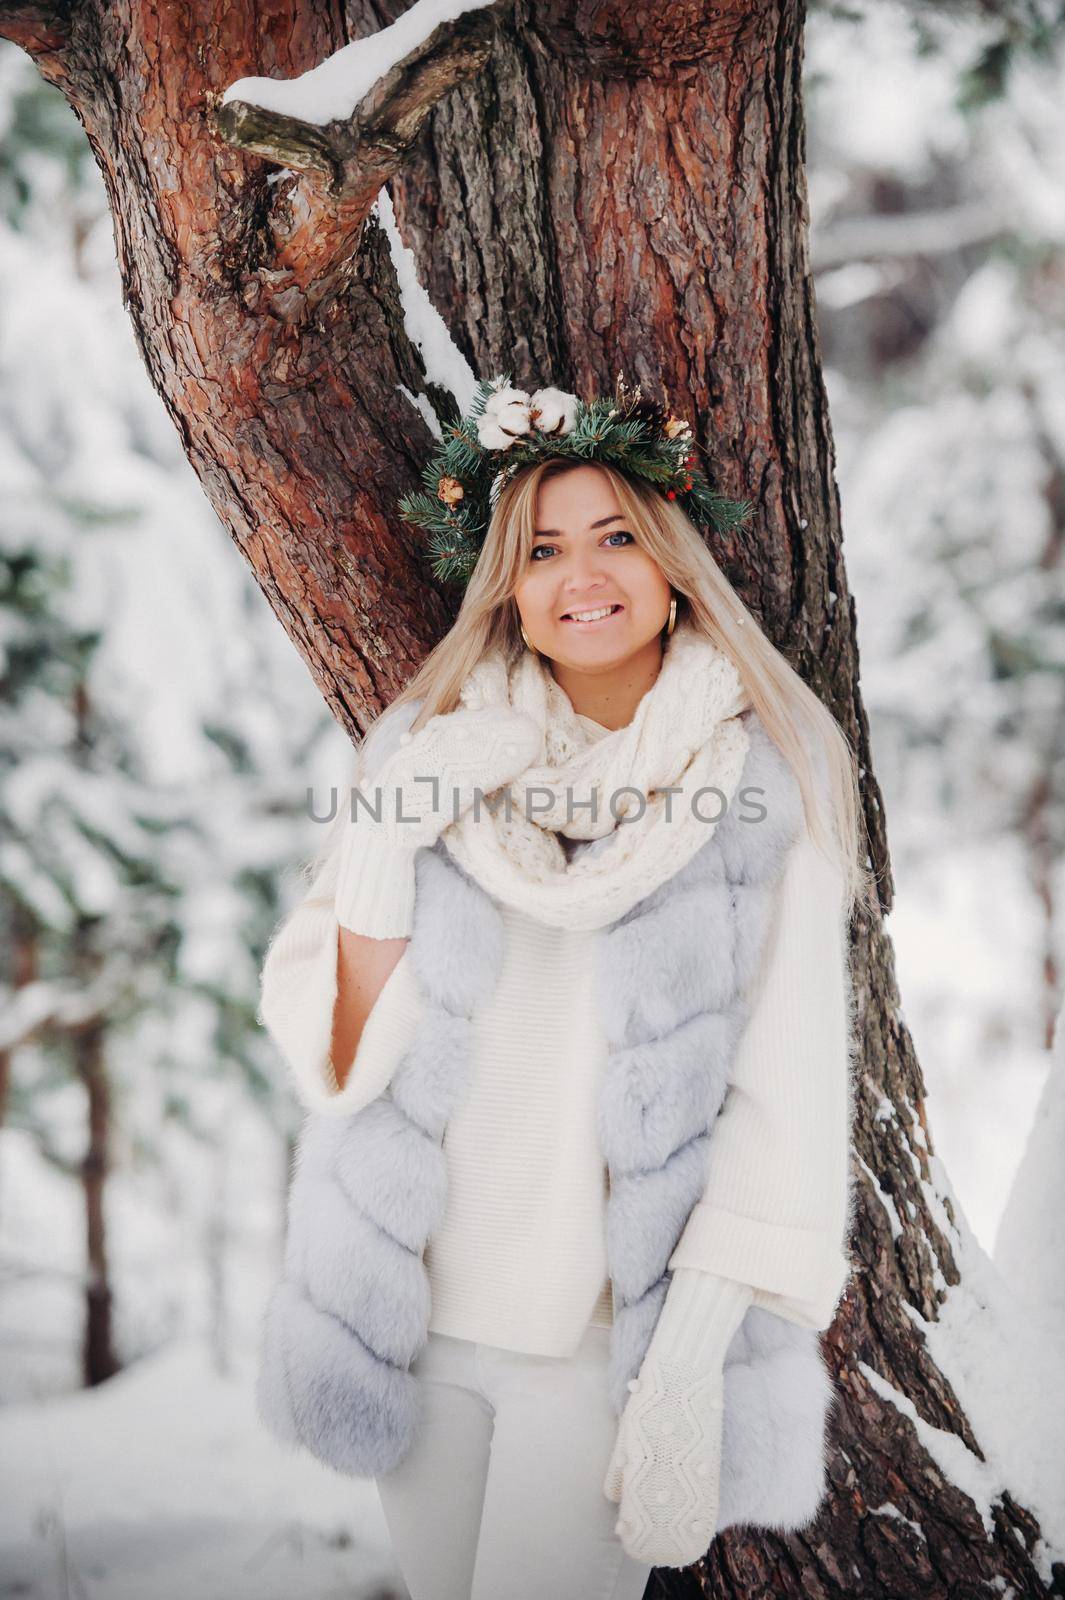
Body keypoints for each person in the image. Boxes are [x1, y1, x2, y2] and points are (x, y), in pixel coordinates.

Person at [256, 376, 871, 1600]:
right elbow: (340, 1055)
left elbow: (785, 1108)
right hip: (415, 1324)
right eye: (541, 550)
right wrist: (389, 829)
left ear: (675, 563)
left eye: (615, 538)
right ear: (508, 587)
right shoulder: (430, 743)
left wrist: (683, 1372)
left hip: (599, 1351)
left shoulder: (759, 793)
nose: (580, 575)